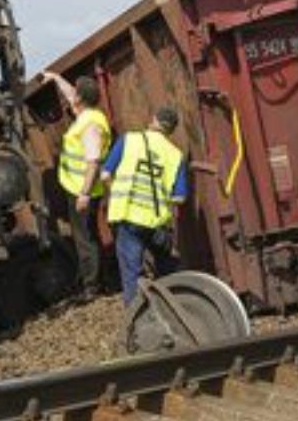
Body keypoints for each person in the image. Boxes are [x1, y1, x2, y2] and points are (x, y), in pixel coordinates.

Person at [100, 106, 189, 306]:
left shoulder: (129, 140)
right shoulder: (176, 155)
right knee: (167, 267)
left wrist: (116, 191)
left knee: (132, 273)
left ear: (153, 120)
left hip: (127, 217)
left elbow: (105, 175)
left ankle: (136, 319)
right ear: (171, 130)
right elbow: (180, 198)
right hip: (156, 222)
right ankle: (178, 303)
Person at [42, 71, 112, 298]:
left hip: (83, 189)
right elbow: (71, 93)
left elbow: (93, 161)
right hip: (80, 187)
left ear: (81, 99)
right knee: (87, 235)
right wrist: (55, 78)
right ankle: (95, 280)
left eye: (76, 93)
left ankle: (92, 287)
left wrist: (84, 193)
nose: (72, 96)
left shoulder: (90, 124)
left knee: (85, 238)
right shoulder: (87, 114)